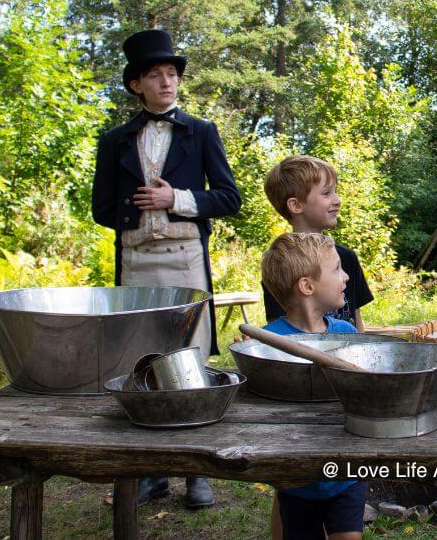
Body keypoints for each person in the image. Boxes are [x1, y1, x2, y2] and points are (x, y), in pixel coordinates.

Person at [91, 28, 241, 509]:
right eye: (155, 75)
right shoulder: (114, 140)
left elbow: (228, 198)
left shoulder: (201, 132)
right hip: (135, 262)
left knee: (191, 360)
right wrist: (136, 212)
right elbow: (101, 209)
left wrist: (172, 199)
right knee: (143, 362)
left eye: (171, 74)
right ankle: (151, 473)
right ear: (136, 84)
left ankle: (196, 469)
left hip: (185, 261)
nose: (166, 83)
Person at [260, 232, 367, 540]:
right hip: (296, 478)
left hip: (346, 473)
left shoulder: (346, 332)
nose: (346, 277)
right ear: (307, 286)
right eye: (336, 269)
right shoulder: (269, 341)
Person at [262, 155, 373, 332]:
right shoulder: (282, 264)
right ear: (296, 205)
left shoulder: (346, 258)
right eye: (326, 193)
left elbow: (356, 317)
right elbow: (277, 329)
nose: (337, 200)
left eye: (335, 191)